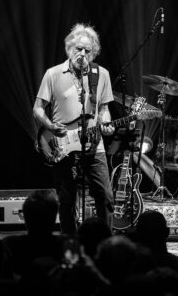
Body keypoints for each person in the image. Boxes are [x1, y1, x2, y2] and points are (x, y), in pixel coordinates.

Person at [33, 23, 115, 234]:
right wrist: (50, 125)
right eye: (78, 48)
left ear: (93, 53)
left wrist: (106, 124)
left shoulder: (101, 74)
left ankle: (104, 242)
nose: (82, 54)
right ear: (69, 48)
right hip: (62, 145)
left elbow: (104, 109)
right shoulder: (53, 74)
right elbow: (38, 109)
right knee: (67, 200)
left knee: (105, 197)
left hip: (94, 144)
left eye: (87, 51)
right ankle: (70, 241)